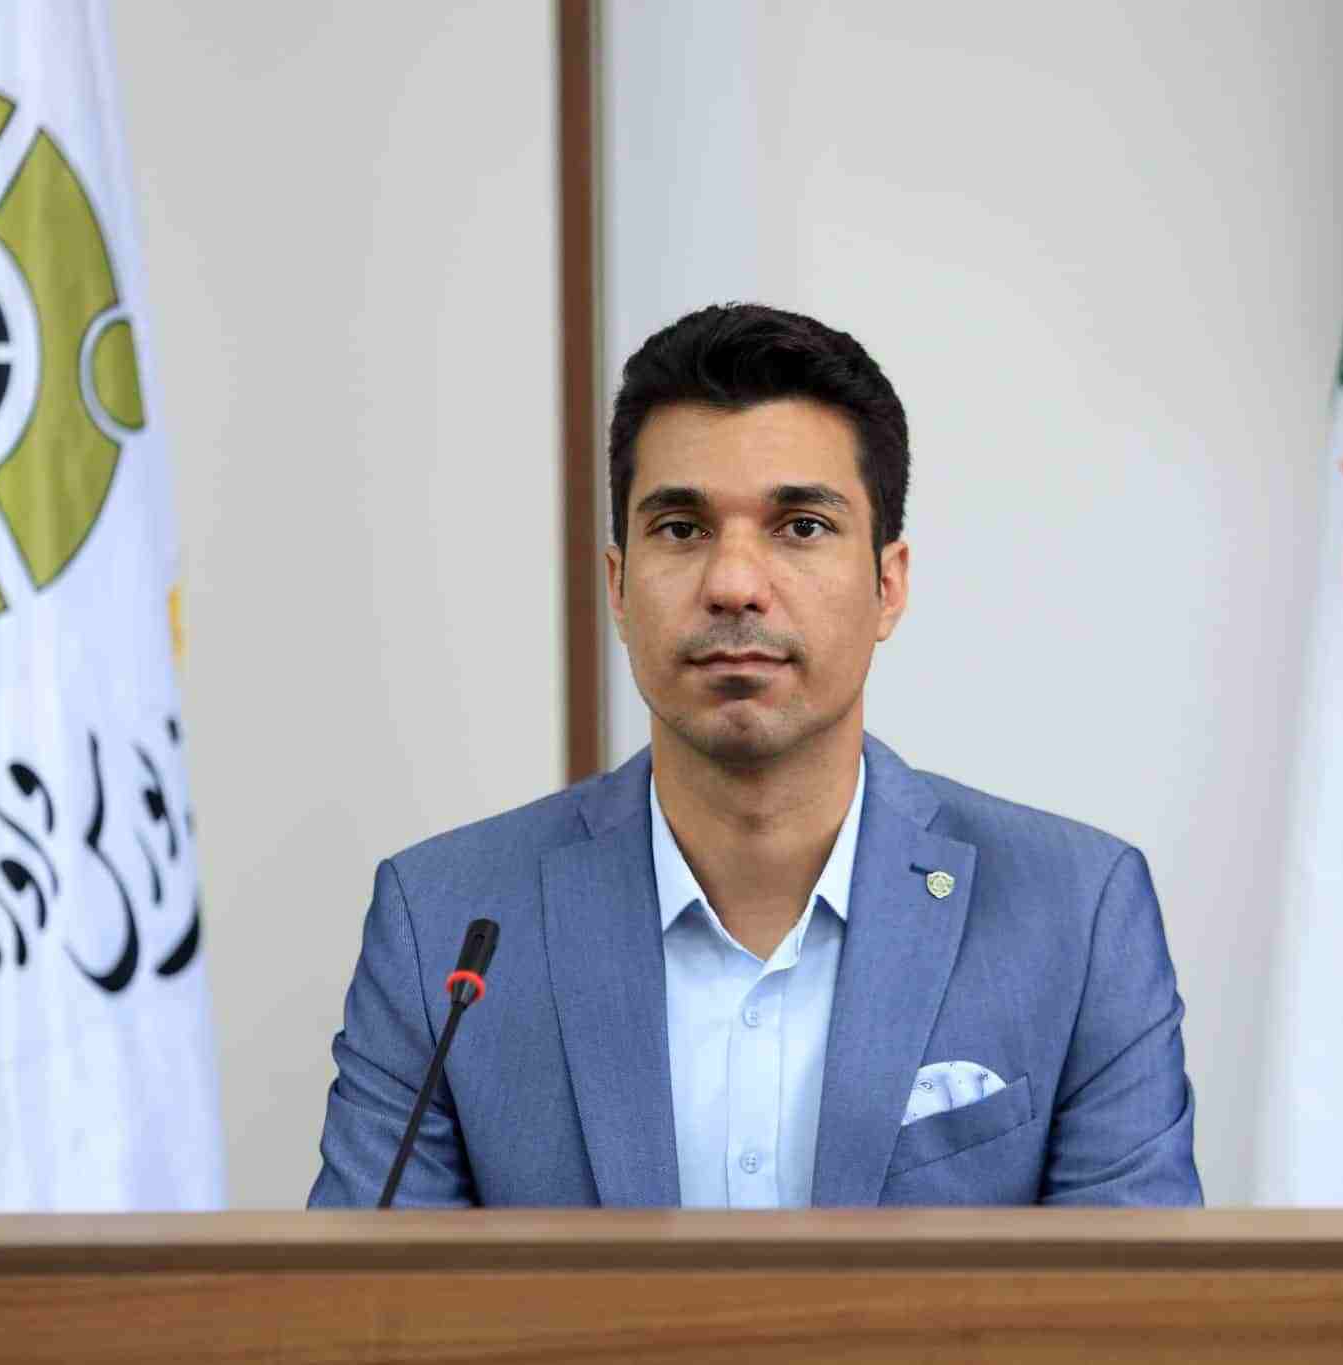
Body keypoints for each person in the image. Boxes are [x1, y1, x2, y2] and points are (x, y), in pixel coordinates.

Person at [308, 303, 1201, 1207]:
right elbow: (368, 1294)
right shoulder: (447, 928)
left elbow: (1134, 1292)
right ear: (618, 587)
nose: (734, 584)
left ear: (889, 584)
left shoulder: (1075, 915)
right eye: (681, 529)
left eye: (801, 526)